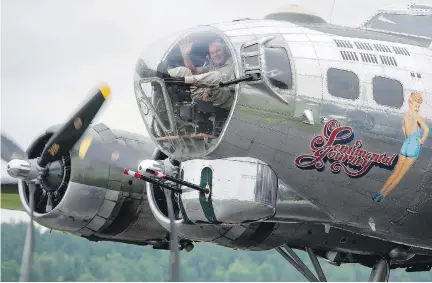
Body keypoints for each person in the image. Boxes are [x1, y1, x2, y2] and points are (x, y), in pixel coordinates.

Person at [372, 91, 429, 202]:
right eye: (416, 105)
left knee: (397, 173)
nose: (417, 108)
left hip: (407, 144)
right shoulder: (415, 116)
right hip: (412, 146)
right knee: (399, 174)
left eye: (418, 106)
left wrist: (413, 138)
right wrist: (421, 140)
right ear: (411, 103)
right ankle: (382, 195)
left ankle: (381, 193)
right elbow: (426, 129)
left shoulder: (407, 115)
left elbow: (406, 128)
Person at [167, 38, 235, 110]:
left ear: (225, 51)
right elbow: (194, 70)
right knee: (184, 71)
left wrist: (210, 87)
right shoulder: (213, 66)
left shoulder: (235, 64)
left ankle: (184, 80)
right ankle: (162, 77)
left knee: (217, 76)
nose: (215, 55)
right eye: (212, 53)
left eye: (218, 50)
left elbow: (234, 88)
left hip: (225, 99)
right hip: (206, 95)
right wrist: (185, 55)